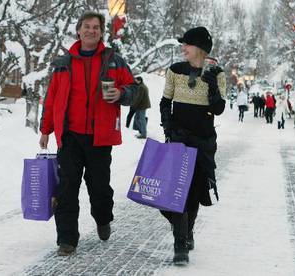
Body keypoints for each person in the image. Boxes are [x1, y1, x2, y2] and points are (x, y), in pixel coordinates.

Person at [39, 11, 137, 256]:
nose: (91, 30)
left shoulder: (113, 60)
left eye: (96, 27)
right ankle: (67, 239)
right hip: (70, 136)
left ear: (102, 32)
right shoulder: (64, 63)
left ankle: (103, 219)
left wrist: (121, 94)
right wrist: (46, 129)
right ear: (78, 30)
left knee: (100, 188)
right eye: (87, 26)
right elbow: (52, 98)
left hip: (100, 137)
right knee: (67, 189)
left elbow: (135, 89)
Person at [159, 26, 226, 265]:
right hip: (178, 139)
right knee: (174, 194)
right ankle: (180, 243)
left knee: (195, 192)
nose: (183, 48)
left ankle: (187, 232)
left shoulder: (216, 74)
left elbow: (218, 109)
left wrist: (213, 87)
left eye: (186, 44)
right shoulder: (175, 71)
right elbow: (165, 101)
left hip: (204, 142)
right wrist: (168, 128)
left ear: (199, 48)